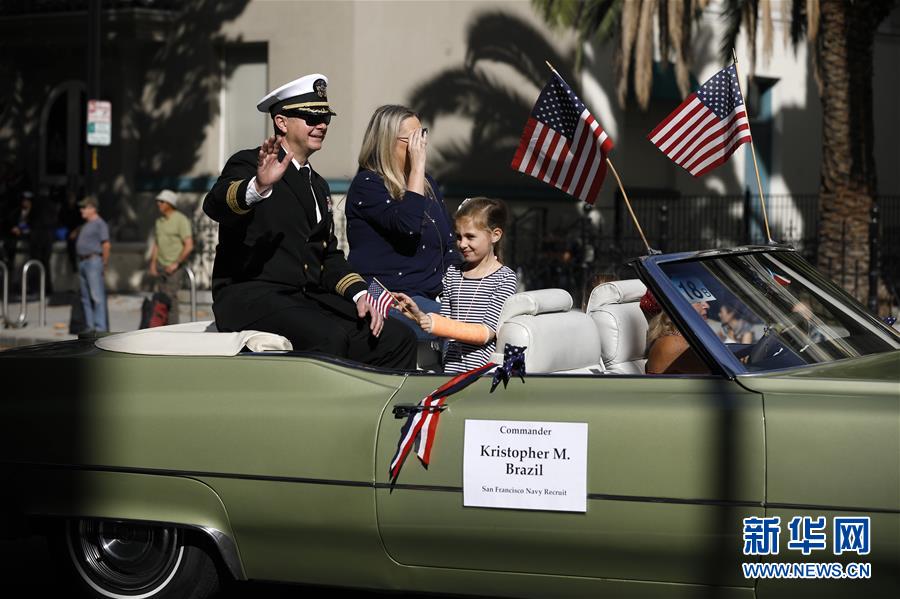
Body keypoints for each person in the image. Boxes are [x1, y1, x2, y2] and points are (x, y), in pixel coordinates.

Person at [202, 73, 415, 369]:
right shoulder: (250, 163)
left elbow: (327, 256)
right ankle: (328, 416)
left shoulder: (318, 184)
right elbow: (215, 205)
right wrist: (258, 187)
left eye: (325, 118)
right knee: (329, 338)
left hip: (303, 299)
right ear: (281, 122)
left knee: (397, 337)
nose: (321, 125)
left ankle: (380, 414)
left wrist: (360, 294)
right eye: (310, 117)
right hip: (251, 296)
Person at [345, 105, 459, 340]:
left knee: (487, 319)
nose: (421, 145)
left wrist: (462, 290)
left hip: (431, 295)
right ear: (387, 142)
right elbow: (407, 227)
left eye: (423, 135)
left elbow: (448, 244)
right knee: (457, 328)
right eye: (414, 139)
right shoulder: (367, 185)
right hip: (392, 297)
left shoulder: (427, 183)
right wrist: (417, 167)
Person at [395, 197, 518, 373]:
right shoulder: (453, 273)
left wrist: (433, 323)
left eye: (470, 237)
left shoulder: (505, 278)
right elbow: (443, 324)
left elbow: (486, 333)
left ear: (495, 235)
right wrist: (419, 315)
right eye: (458, 237)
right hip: (449, 370)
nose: (462, 244)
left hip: (481, 375)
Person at [149, 189, 194, 324]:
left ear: (170, 203)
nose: (159, 204)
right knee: (161, 299)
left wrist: (176, 263)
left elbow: (189, 245)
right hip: (161, 265)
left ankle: (173, 328)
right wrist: (153, 263)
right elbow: (157, 243)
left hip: (174, 266)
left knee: (171, 299)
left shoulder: (181, 220)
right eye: (158, 201)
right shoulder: (160, 221)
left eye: (161, 201)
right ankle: (162, 327)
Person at [641, 290, 709, 375]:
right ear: (678, 307)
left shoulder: (682, 338)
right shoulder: (674, 343)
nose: (706, 305)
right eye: (698, 301)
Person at [75, 195, 110, 332]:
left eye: (84, 207)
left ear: (92, 208)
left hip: (93, 261)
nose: (81, 210)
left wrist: (104, 263)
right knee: (85, 297)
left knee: (97, 297)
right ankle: (90, 326)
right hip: (83, 262)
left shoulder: (100, 224)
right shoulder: (87, 224)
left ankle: (100, 328)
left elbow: (106, 245)